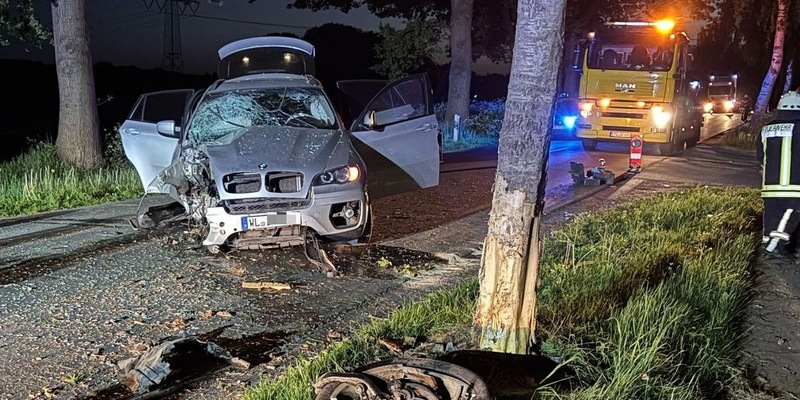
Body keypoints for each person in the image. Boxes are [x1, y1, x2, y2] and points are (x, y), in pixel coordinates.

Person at [757, 89, 800, 258]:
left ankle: (768, 243)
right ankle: (774, 246)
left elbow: (760, 156)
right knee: (793, 212)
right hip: (795, 185)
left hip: (769, 185)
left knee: (772, 215)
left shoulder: (766, 129)